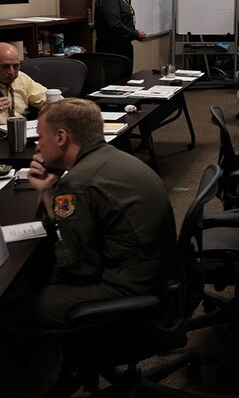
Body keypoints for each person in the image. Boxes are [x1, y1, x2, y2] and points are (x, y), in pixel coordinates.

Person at [0, 98, 176, 397]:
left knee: (7, 315)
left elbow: (78, 269)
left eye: (40, 137)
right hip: (156, 273)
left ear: (61, 137)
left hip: (126, 287)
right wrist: (48, 193)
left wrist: (42, 293)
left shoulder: (79, 183)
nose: (38, 147)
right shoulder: (110, 158)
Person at [94, 0, 147, 68]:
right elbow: (115, 25)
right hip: (113, 50)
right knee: (118, 82)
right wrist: (136, 34)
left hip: (122, 47)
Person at [0, 42, 47, 124]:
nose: (11, 72)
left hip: (22, 131)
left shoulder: (21, 78)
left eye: (15, 66)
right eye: (5, 67)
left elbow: (49, 100)